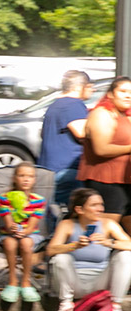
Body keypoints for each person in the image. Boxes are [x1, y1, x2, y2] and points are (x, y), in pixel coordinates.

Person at [47, 187, 131, 311]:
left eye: (101, 205)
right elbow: (50, 250)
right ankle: (66, 306)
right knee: (61, 258)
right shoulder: (67, 225)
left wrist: (109, 242)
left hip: (101, 282)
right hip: (74, 282)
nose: (100, 209)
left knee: (126, 256)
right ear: (79, 209)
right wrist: (74, 246)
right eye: (94, 205)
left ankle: (115, 308)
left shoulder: (108, 224)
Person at [77, 76, 131, 232]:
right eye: (123, 91)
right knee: (105, 227)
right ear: (111, 94)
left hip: (125, 178)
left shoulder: (125, 115)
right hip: (105, 178)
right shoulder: (102, 114)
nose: (128, 96)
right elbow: (101, 149)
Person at [39, 70, 93, 208]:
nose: (92, 90)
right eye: (89, 86)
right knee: (69, 214)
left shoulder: (55, 105)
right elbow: (81, 133)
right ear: (80, 87)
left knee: (53, 211)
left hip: (50, 168)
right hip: (67, 169)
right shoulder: (73, 104)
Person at [0, 162, 47, 304]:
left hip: (31, 234)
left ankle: (26, 282)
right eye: (22, 175)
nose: (26, 179)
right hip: (8, 233)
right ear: (14, 178)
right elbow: (7, 223)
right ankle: (12, 281)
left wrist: (24, 232)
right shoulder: (5, 198)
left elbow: (32, 225)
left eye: (30, 176)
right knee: (9, 242)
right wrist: (13, 229)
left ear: (34, 180)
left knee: (25, 243)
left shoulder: (38, 200)